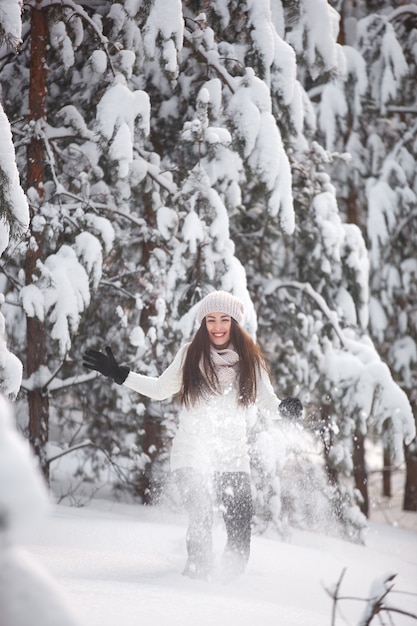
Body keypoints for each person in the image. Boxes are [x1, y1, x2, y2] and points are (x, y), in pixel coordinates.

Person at [83, 290, 302, 580]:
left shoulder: (251, 360)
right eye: (210, 320)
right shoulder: (190, 354)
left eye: (224, 319)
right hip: (191, 454)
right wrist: (120, 374)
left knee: (239, 533)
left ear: (235, 322)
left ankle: (229, 586)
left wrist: (284, 408)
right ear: (203, 323)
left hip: (234, 459)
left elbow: (268, 402)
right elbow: (161, 389)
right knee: (200, 517)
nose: (218, 326)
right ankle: (194, 583)